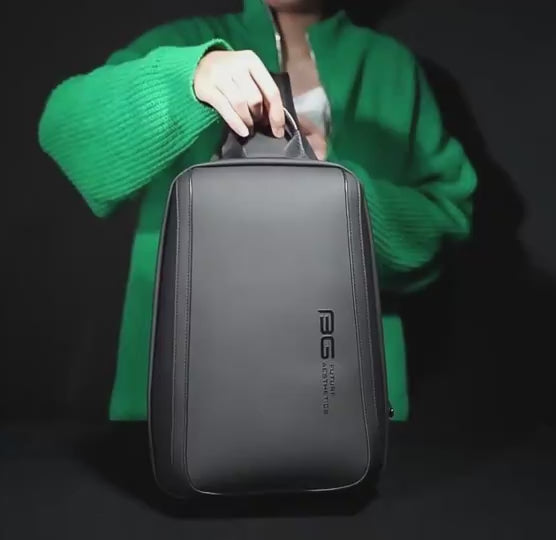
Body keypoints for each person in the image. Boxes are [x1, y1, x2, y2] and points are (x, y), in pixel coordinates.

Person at [37, 0, 477, 422]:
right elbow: (64, 126)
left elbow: (447, 219)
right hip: (190, 383)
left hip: (342, 387)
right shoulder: (186, 42)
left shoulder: (390, 67)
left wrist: (339, 189)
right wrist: (188, 77)